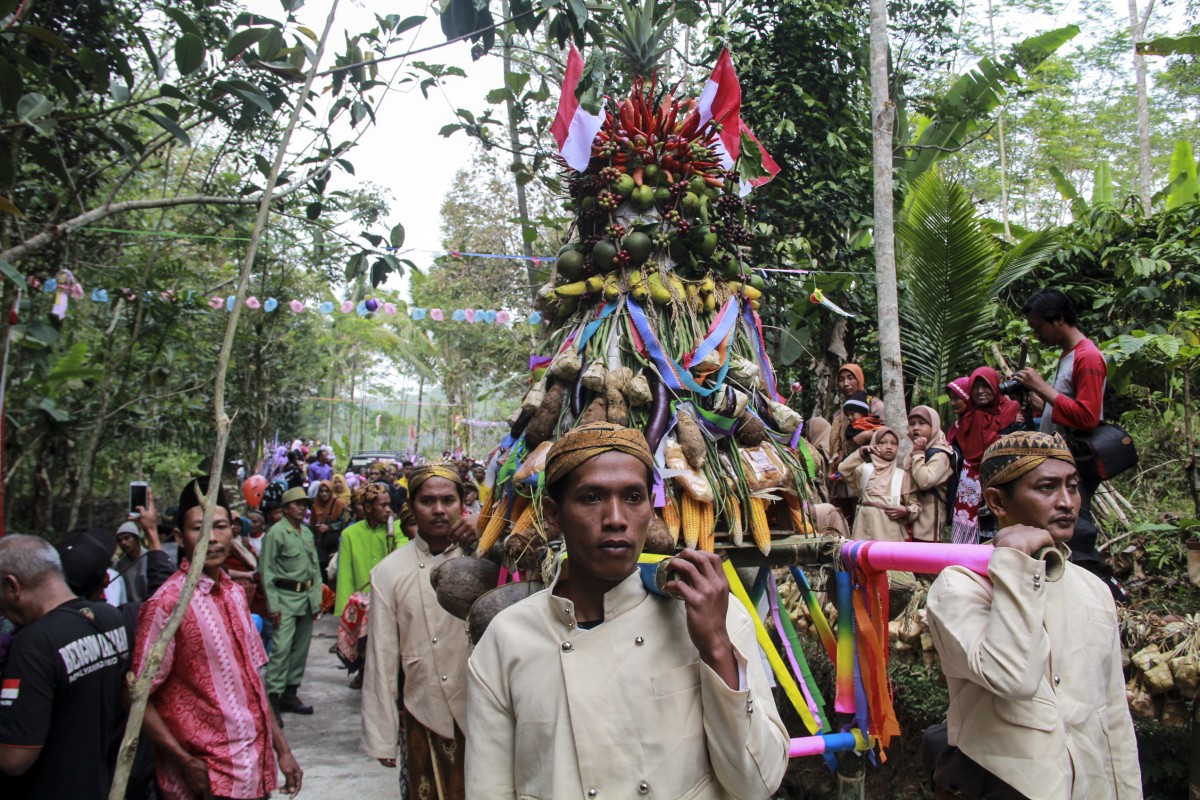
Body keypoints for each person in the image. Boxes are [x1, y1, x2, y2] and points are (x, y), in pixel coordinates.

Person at [466, 422, 789, 799]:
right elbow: (489, 788)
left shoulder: (711, 613)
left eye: (633, 497)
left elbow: (758, 783)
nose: (616, 518)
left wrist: (716, 647)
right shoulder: (508, 639)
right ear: (554, 514)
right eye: (591, 497)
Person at [926, 432, 1140, 799]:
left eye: (1073, 487)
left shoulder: (1093, 589)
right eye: (1046, 487)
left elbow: (1113, 715)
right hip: (1007, 785)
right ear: (997, 501)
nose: (1066, 502)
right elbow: (1013, 678)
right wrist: (1017, 566)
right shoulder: (958, 587)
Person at [135, 479, 303, 799]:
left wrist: (282, 750)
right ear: (179, 537)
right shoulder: (166, 604)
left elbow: (252, 680)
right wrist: (184, 761)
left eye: (221, 526)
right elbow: (137, 697)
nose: (211, 538)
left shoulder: (235, 593)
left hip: (254, 770)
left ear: (233, 532)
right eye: (199, 528)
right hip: (207, 779)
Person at [362, 465, 476, 799]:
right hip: (425, 709)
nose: (439, 510)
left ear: (461, 503)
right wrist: (381, 734)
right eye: (428, 501)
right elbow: (381, 657)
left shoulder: (486, 553)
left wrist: (487, 527)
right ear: (412, 505)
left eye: (447, 500)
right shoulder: (389, 572)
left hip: (484, 705)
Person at [0, 534, 129, 799]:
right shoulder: (110, 618)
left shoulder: (33, 643)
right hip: (101, 785)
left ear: (12, 586)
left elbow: (14, 758)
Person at [1015, 288, 1109, 562]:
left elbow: (1088, 417)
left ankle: (1092, 582)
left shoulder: (1087, 356)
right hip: (1059, 457)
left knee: (1075, 526)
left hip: (1072, 458)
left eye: (1038, 326)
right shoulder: (1068, 355)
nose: (1036, 334)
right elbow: (1066, 406)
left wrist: (1043, 388)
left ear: (1058, 319)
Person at [259, 486, 322, 723]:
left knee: (300, 649)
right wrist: (273, 605)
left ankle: (290, 693)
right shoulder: (276, 534)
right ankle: (272, 698)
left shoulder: (306, 532)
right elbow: (267, 571)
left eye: (305, 504)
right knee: (282, 649)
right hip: (285, 598)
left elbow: (314, 568)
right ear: (286, 509)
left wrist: (316, 600)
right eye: (298, 504)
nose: (303, 508)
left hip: (305, 598)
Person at [950, 367, 1022, 545]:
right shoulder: (967, 419)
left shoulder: (1012, 410)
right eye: (975, 387)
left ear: (996, 386)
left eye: (986, 386)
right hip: (971, 483)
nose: (980, 391)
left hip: (1005, 478)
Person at [827, 363, 888, 524]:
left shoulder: (874, 405)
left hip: (868, 472)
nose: (846, 383)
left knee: (865, 520)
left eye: (851, 378)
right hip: (843, 473)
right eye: (841, 379)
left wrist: (869, 434)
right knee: (842, 520)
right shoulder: (840, 414)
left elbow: (890, 433)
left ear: (860, 379)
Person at [838, 427, 920, 542]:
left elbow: (915, 506)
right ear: (874, 444)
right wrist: (861, 453)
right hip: (863, 532)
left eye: (894, 443)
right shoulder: (864, 470)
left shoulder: (902, 476)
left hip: (890, 536)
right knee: (862, 558)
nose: (889, 447)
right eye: (883, 442)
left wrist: (905, 511)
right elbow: (843, 469)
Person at [905, 406, 955, 542]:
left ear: (934, 426)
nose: (916, 428)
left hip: (928, 528)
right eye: (912, 424)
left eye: (922, 423)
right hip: (911, 520)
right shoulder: (914, 452)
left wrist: (919, 454)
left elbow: (924, 481)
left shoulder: (940, 454)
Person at [311, 480, 349, 586]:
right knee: (322, 568)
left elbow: (344, 521)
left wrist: (329, 527)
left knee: (333, 569)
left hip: (334, 541)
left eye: (327, 491)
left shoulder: (338, 503)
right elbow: (312, 523)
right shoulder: (315, 505)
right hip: (320, 542)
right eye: (321, 491)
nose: (324, 494)